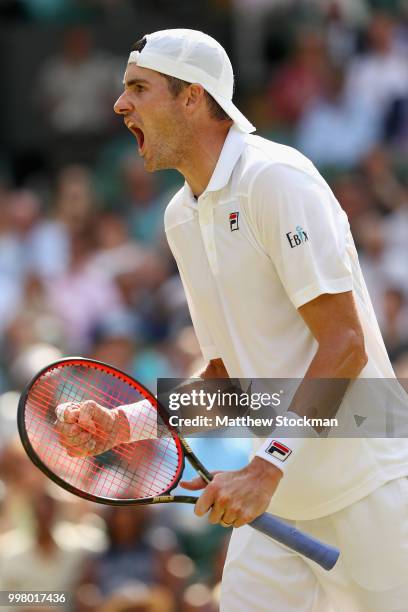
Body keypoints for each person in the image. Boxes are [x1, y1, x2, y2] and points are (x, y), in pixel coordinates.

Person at [55, 29, 408, 611]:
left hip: (370, 490)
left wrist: (266, 466)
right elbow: (227, 377)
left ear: (192, 97)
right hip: (280, 504)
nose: (121, 105)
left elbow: (344, 342)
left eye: (139, 89)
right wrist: (126, 425)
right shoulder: (180, 216)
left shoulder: (276, 179)